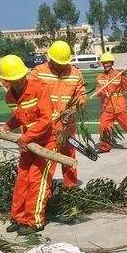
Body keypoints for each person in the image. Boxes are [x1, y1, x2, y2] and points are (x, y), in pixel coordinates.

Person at [0, 54, 57, 235]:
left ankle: (34, 221)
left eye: (19, 79)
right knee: (22, 180)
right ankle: (18, 218)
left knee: (36, 181)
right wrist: (7, 126)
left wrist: (27, 136)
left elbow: (46, 119)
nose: (17, 83)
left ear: (25, 75)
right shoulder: (9, 97)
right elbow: (20, 116)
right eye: (12, 81)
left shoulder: (39, 89)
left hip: (46, 142)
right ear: (6, 81)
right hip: (28, 144)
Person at [29, 41, 85, 188]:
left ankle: (71, 187)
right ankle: (44, 190)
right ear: (50, 58)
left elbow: (81, 95)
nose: (61, 65)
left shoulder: (75, 73)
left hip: (67, 126)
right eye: (57, 62)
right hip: (46, 127)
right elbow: (29, 94)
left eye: (63, 63)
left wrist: (75, 107)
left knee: (69, 157)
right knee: (47, 160)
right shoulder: (38, 72)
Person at [96, 52, 127, 153]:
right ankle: (105, 147)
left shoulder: (118, 74)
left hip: (119, 107)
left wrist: (123, 76)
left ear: (112, 63)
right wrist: (100, 92)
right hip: (106, 108)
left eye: (108, 63)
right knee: (103, 127)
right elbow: (97, 91)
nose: (106, 65)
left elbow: (126, 87)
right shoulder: (99, 77)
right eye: (104, 63)